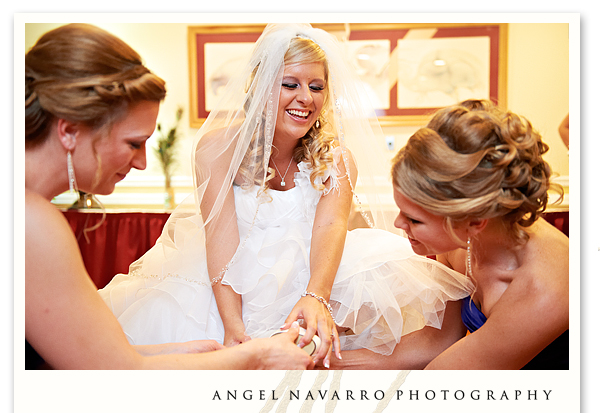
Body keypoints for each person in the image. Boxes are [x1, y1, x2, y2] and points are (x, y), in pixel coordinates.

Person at [99, 23, 473, 369]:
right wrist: (232, 327)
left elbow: (331, 225)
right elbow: (221, 237)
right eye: (290, 84)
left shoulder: (337, 159)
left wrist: (317, 296)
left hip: (310, 276)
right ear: (262, 86)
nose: (305, 98)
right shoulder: (218, 148)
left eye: (316, 86)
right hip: (223, 286)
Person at [25, 23, 312, 370]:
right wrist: (257, 354)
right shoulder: (31, 222)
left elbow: (80, 353)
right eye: (133, 143)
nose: (143, 162)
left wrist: (173, 352)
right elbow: (118, 374)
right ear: (69, 130)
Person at [328, 99, 569, 370]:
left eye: (414, 219)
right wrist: (327, 363)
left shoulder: (545, 285)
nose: (398, 223)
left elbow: (442, 379)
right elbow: (437, 342)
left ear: (475, 221)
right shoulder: (461, 241)